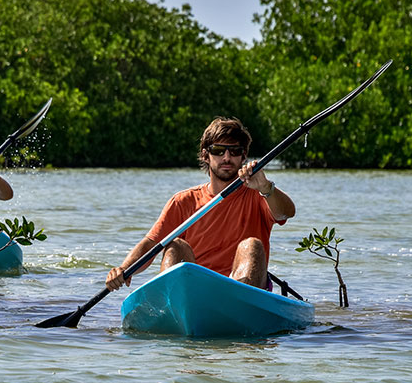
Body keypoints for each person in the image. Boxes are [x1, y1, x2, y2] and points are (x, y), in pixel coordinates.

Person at [105, 117, 295, 292]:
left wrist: (265, 186)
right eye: (219, 151)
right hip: (195, 293)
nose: (227, 158)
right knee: (176, 246)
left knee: (251, 245)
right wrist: (123, 269)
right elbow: (151, 244)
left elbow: (286, 213)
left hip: (242, 291)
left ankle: (236, 302)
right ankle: (176, 303)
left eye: (234, 151)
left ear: (243, 156)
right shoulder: (183, 201)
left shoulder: (259, 194)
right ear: (206, 155)